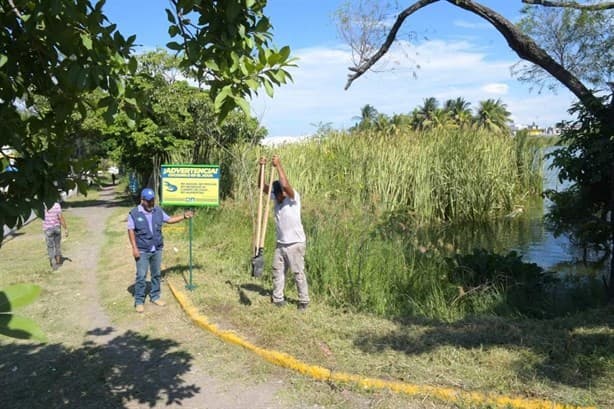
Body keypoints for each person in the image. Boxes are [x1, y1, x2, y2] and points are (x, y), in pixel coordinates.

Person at [127, 187, 194, 313]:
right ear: (142, 200)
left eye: (153, 201)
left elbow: (169, 220)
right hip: (142, 250)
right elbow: (130, 230)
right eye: (149, 201)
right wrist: (134, 248)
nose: (151, 203)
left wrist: (184, 216)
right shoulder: (134, 213)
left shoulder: (157, 210)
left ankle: (155, 296)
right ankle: (139, 301)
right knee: (141, 276)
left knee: (156, 274)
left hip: (157, 249)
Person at [259, 155, 310, 311]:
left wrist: (278, 165)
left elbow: (285, 184)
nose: (278, 198)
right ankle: (278, 298)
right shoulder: (276, 197)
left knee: (298, 273)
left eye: (280, 194)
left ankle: (303, 300)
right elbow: (261, 186)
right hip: (281, 243)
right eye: (276, 195)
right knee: (277, 271)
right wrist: (261, 167)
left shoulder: (293, 197)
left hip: (295, 243)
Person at [42, 202, 68, 270]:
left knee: (50, 247)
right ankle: (58, 263)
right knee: (57, 246)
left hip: (48, 229)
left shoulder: (43, 205)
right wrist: (65, 229)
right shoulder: (57, 205)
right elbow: (60, 218)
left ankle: (53, 263)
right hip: (57, 228)